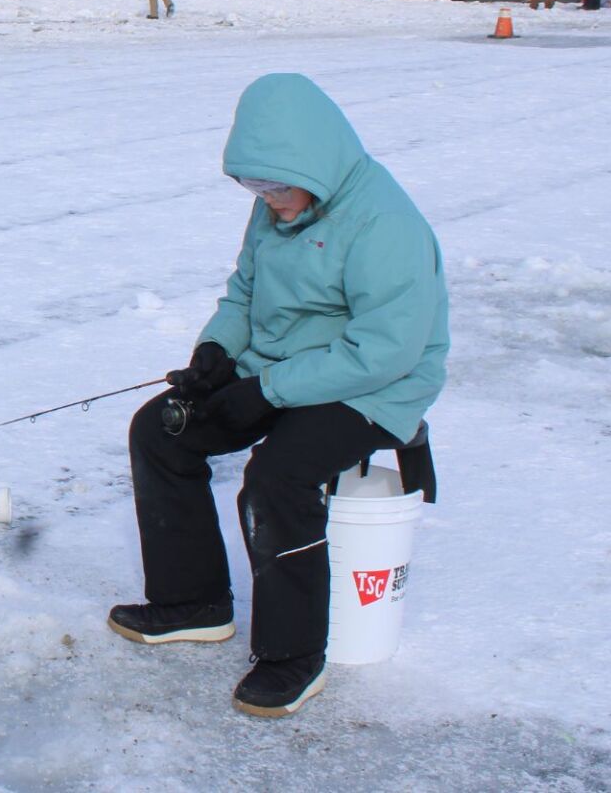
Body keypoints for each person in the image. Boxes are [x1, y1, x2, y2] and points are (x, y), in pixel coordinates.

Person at [110, 73, 448, 719]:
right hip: (284, 366)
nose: (269, 203)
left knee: (277, 478)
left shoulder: (386, 224)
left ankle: (294, 654)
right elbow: (245, 290)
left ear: (314, 165)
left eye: (277, 188)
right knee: (161, 430)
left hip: (376, 385)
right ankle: (193, 601)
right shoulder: (281, 196)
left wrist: (267, 390)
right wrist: (215, 354)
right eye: (254, 188)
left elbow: (386, 351)